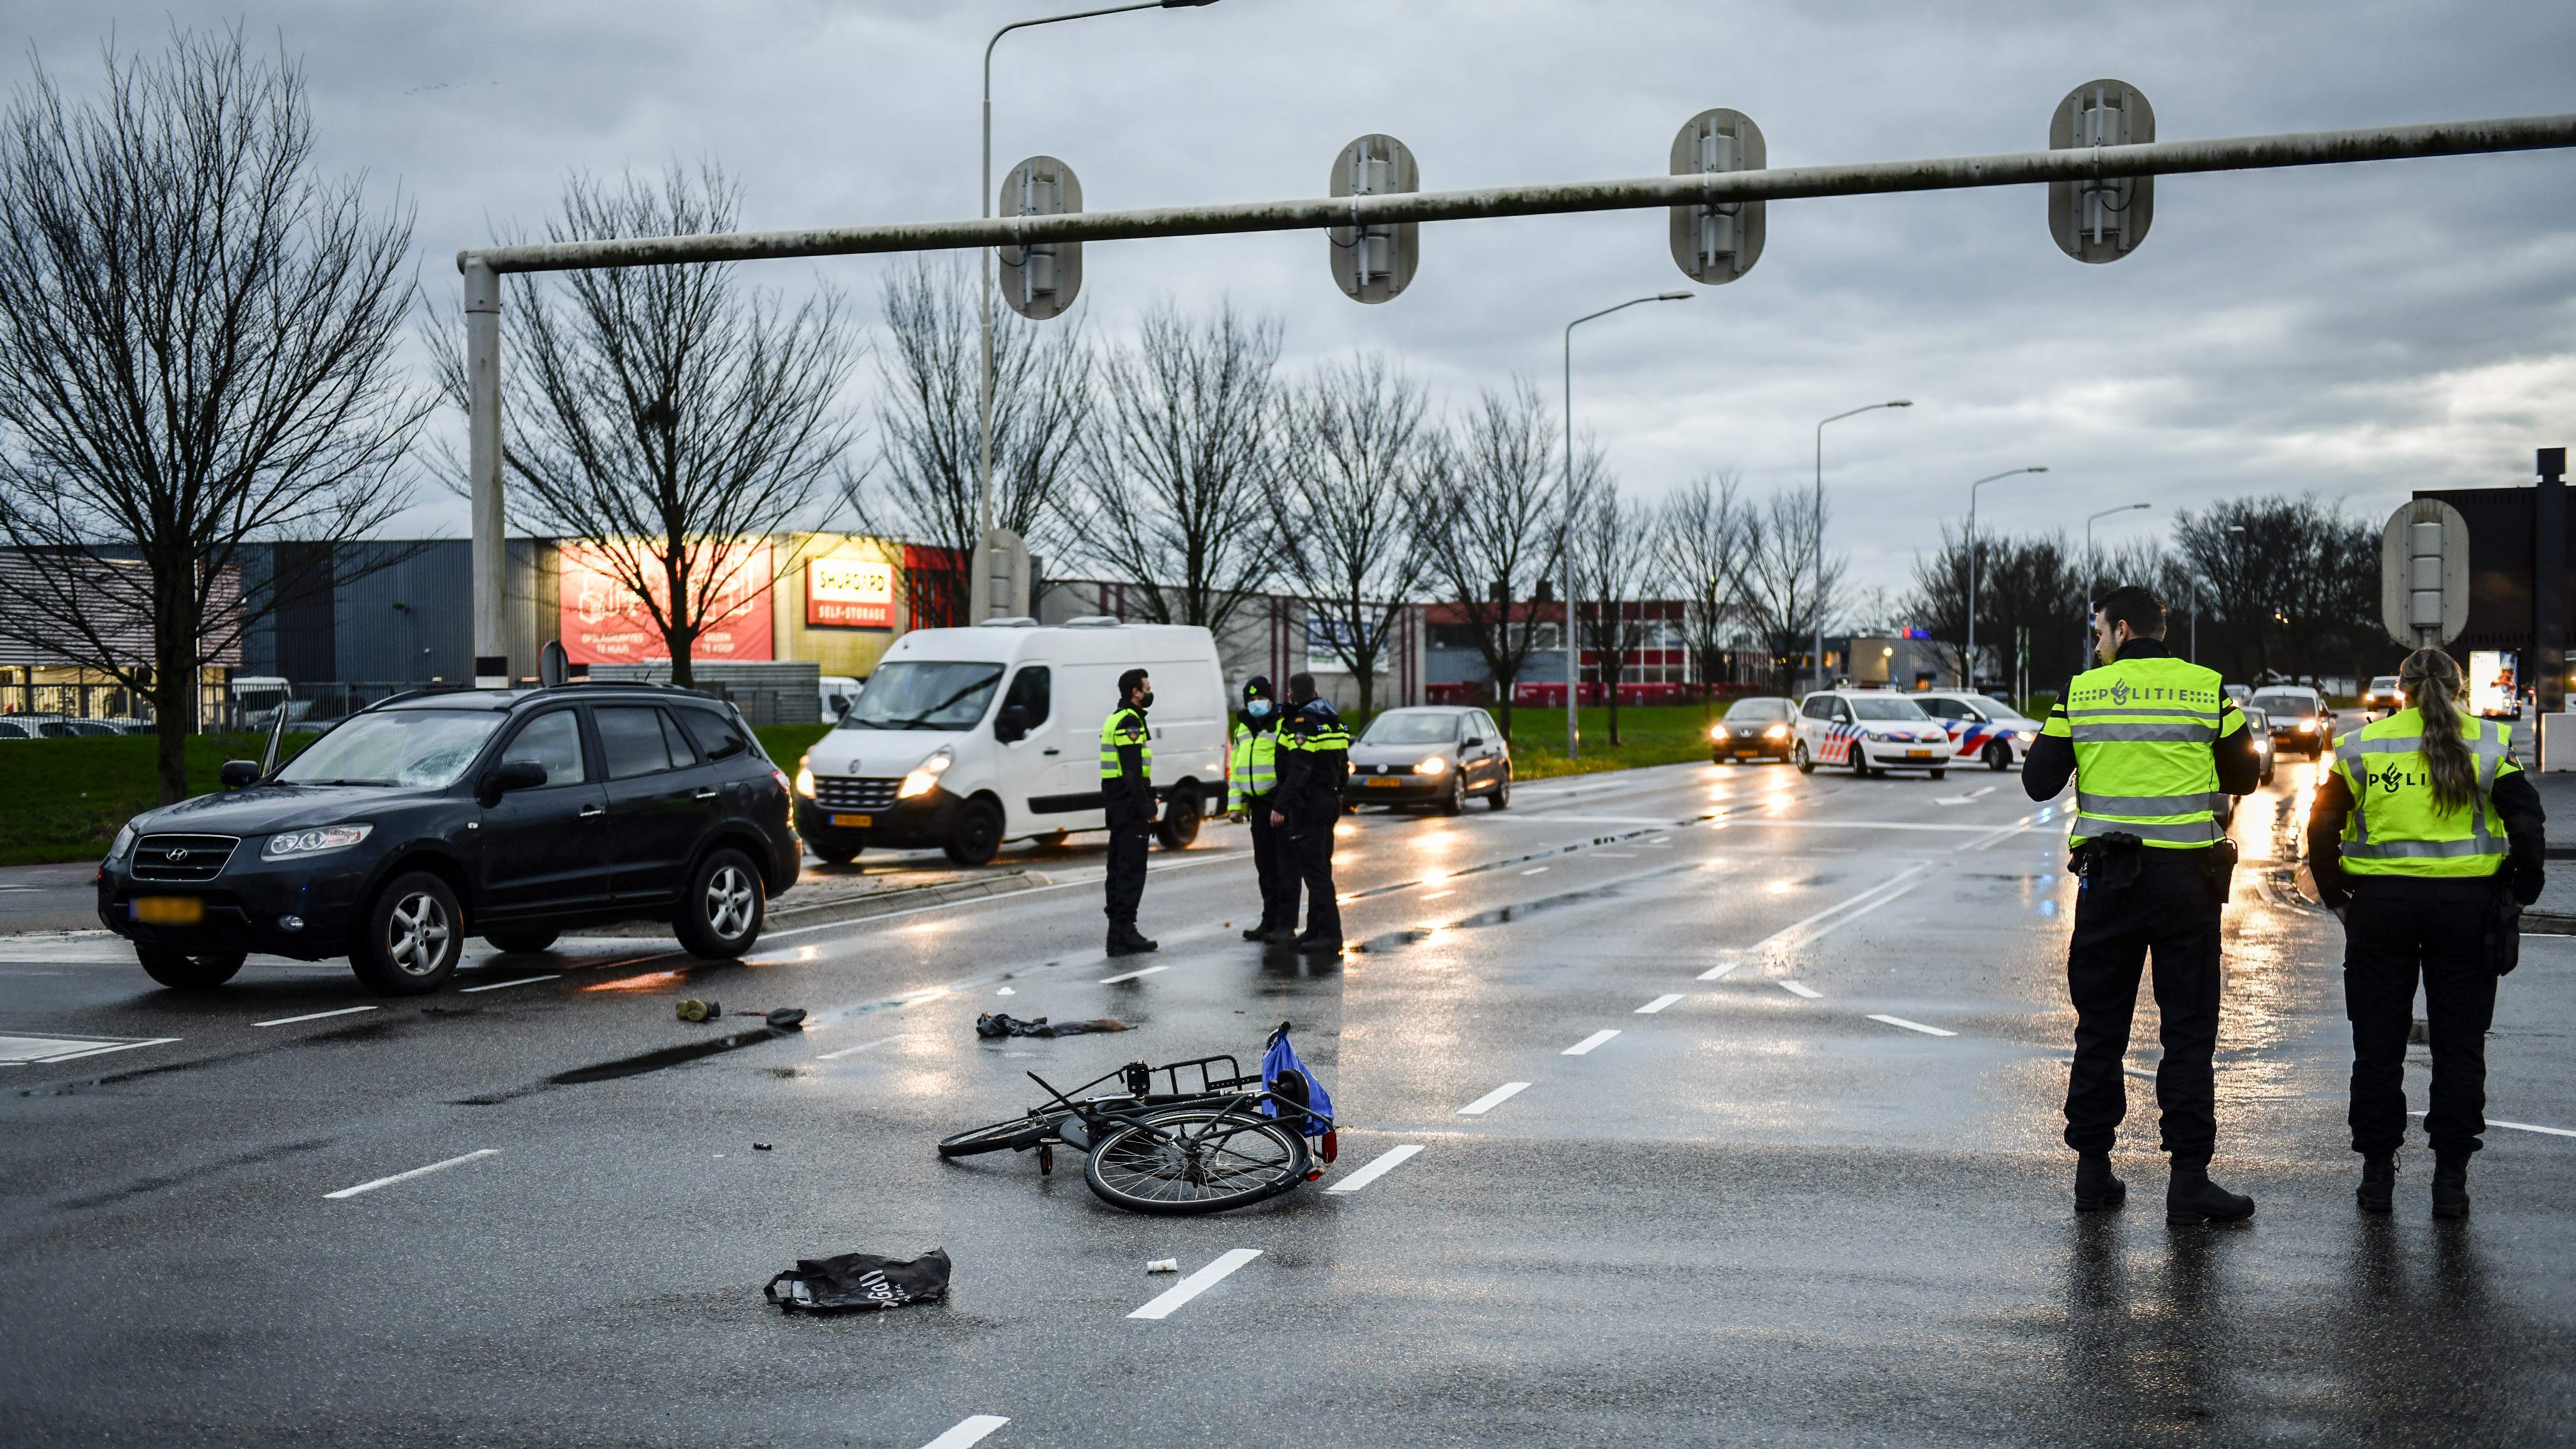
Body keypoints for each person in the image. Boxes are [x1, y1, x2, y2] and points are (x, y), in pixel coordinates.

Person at [2023, 585, 2263, 1224]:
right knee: (2188, 1030)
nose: (2096, 644)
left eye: (2099, 632)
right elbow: (2245, 775)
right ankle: (2189, 1182)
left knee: (2100, 1028)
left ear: (2123, 630)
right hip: (2186, 883)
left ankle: (2093, 1173)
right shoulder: (2207, 688)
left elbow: (2038, 781)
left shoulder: (2080, 693)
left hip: (2109, 884)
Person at [2307, 646, 2545, 1219]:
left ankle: (2377, 1179)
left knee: (2378, 1047)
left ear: (2402, 689)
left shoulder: (2364, 745)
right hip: (2465, 911)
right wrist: (2520, 888)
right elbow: (2527, 819)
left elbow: (2321, 823)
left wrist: (2337, 896)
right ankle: (2450, 1182)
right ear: (2459, 689)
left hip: (2382, 909)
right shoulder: (2487, 743)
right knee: (2459, 1046)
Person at [1269, 673, 1350, 954]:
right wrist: (1337, 792)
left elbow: (1299, 770)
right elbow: (1344, 766)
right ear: (1315, 693)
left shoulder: (1302, 724)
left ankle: (1330, 934)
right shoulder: (1333, 720)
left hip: (1310, 804)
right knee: (1321, 867)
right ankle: (1314, 929)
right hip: (1329, 800)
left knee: (1315, 873)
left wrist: (1280, 805)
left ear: (1292, 696)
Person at [1227, 676, 1293, 942]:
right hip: (1257, 807)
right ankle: (1269, 920)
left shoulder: (1282, 724)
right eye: (1251, 700)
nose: (1256, 704)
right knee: (1265, 867)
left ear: (1271, 699)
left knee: (1284, 867)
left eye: (1261, 699)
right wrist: (1235, 805)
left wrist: (1283, 803)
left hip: (1277, 805)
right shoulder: (1243, 727)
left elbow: (1289, 767)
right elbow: (1237, 769)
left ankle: (1285, 924)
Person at [1100, 668, 1158, 957]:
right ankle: (1125, 932)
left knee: (1119, 867)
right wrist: (1146, 806)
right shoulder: (1129, 722)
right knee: (1131, 870)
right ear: (1135, 692)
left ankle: (1116, 934)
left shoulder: (1116, 718)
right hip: (1129, 806)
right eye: (1146, 688)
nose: (1149, 693)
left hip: (1119, 804)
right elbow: (1132, 772)